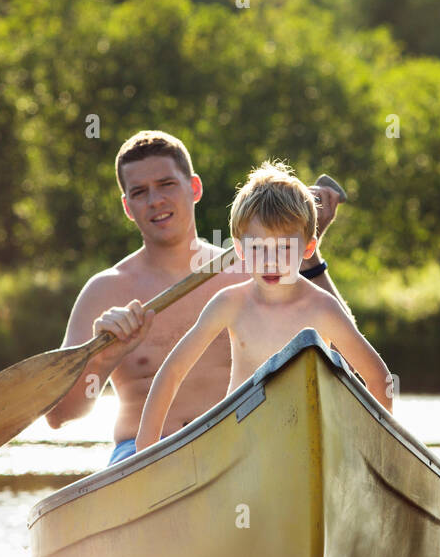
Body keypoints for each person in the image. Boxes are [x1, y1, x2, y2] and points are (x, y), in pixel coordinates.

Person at [44, 131, 349, 465]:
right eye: (139, 192)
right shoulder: (103, 291)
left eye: (166, 184)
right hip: (141, 453)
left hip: (240, 445)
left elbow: (342, 360)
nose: (155, 200)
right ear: (127, 207)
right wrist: (104, 359)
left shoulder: (255, 270)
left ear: (195, 188)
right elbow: (59, 416)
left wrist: (309, 253)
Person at [135, 160, 392, 453]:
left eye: (284, 248)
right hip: (241, 439)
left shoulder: (323, 308)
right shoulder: (230, 304)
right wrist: (145, 452)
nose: (271, 261)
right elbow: (171, 373)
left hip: (307, 442)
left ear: (308, 248)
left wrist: (375, 450)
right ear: (241, 248)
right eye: (258, 248)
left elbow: (378, 379)